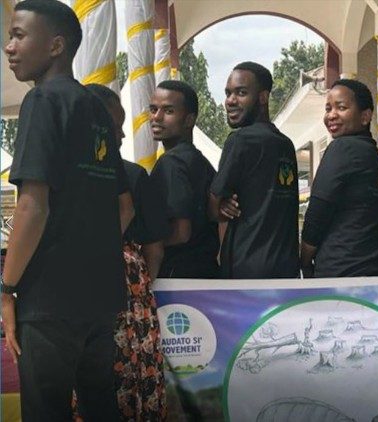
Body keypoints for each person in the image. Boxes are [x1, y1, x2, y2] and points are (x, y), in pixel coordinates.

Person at [1, 1, 134, 419]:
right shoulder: (96, 107)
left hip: (49, 300)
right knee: (100, 407)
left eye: (20, 35)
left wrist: (7, 290)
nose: (9, 47)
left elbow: (32, 207)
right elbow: (123, 205)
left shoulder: (42, 102)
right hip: (99, 295)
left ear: (56, 44)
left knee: (46, 411)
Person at [87, 84, 168, 420]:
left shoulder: (66, 177)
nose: (121, 134)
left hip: (105, 287)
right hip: (128, 289)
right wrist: (141, 292)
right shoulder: (133, 175)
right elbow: (154, 248)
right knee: (128, 372)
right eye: (114, 125)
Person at [208, 62, 299, 278]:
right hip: (285, 269)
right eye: (228, 93)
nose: (230, 101)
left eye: (241, 93)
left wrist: (220, 204)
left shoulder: (240, 140)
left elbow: (213, 209)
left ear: (263, 97)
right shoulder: (286, 144)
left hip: (246, 272)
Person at [300, 79, 378, 278]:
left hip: (342, 273)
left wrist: (305, 258)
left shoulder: (343, 148)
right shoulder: (377, 159)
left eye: (341, 107)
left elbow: (318, 210)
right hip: (376, 271)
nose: (331, 115)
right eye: (328, 108)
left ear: (365, 116)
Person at [149, 80, 219, 278]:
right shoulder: (201, 162)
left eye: (168, 111)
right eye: (153, 109)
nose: (157, 117)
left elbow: (181, 232)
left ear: (189, 119)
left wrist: (145, 245)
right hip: (205, 272)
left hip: (177, 277)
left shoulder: (172, 163)